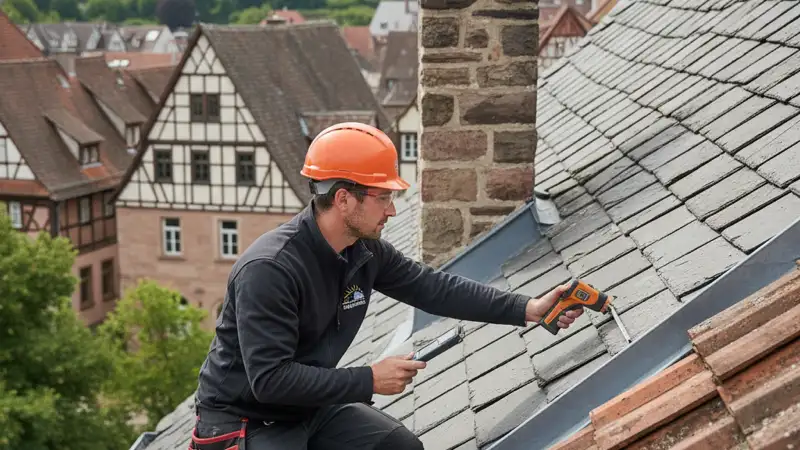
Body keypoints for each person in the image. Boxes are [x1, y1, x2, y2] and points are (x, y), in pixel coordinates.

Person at [190, 122, 584, 450]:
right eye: (384, 198)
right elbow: (270, 381)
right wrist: (369, 379)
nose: (393, 210)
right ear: (344, 199)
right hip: (244, 422)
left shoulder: (364, 251)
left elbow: (433, 288)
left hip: (306, 406)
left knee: (400, 448)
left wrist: (527, 308)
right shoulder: (270, 270)